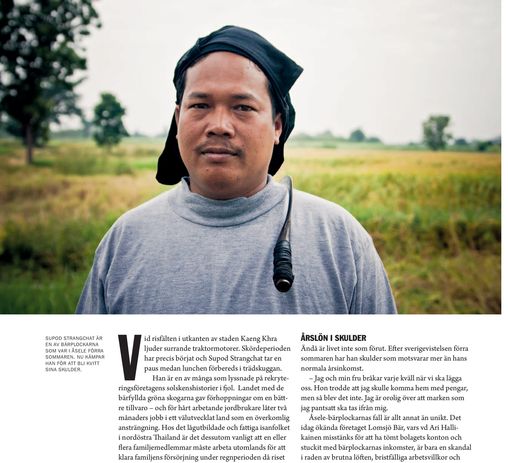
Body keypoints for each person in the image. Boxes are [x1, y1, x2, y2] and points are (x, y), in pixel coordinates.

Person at [77, 26, 396, 314]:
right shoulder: (125, 241)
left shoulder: (339, 240)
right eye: (200, 105)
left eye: (243, 107)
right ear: (178, 121)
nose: (218, 126)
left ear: (277, 126)